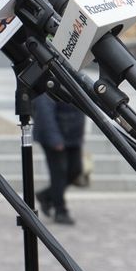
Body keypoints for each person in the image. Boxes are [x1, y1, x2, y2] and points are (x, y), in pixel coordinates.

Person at [33, 92, 86, 225]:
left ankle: (46, 195)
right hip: (55, 137)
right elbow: (45, 112)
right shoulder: (49, 81)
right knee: (59, 174)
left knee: (76, 170)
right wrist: (55, 139)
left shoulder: (75, 76)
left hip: (72, 137)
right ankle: (60, 211)